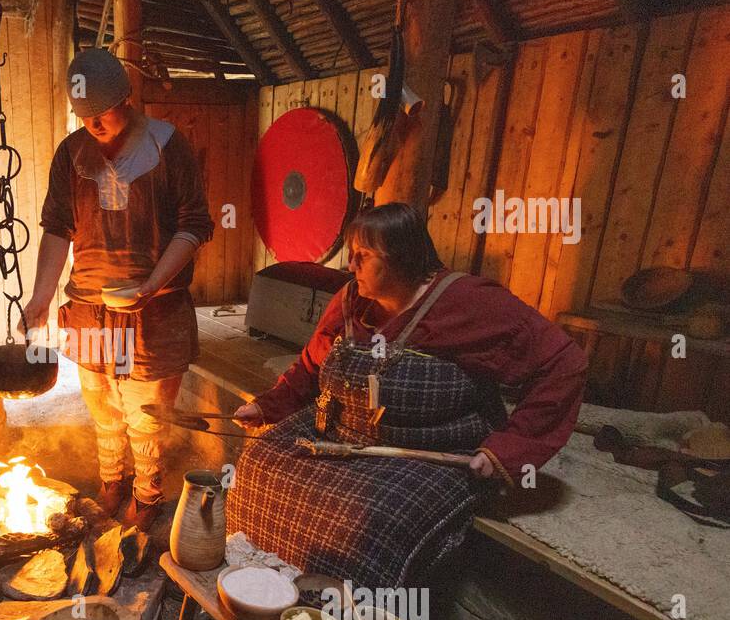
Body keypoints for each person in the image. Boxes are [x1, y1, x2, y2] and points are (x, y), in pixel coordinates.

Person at [227, 202, 588, 588]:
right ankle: (264, 585)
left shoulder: (469, 304)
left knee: (372, 516)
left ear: (400, 258)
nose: (351, 266)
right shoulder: (351, 300)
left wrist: (506, 450)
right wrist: (267, 405)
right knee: (261, 461)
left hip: (429, 448)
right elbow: (311, 366)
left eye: (363, 256)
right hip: (343, 433)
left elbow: (565, 362)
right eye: (352, 254)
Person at [22, 48, 213, 531]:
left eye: (101, 114)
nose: (93, 125)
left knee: (145, 415)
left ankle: (148, 496)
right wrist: (41, 298)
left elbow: (194, 226)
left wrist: (151, 284)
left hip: (155, 310)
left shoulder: (168, 145)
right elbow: (56, 227)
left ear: (125, 99)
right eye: (83, 116)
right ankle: (113, 481)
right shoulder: (71, 153)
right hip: (89, 307)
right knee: (103, 406)